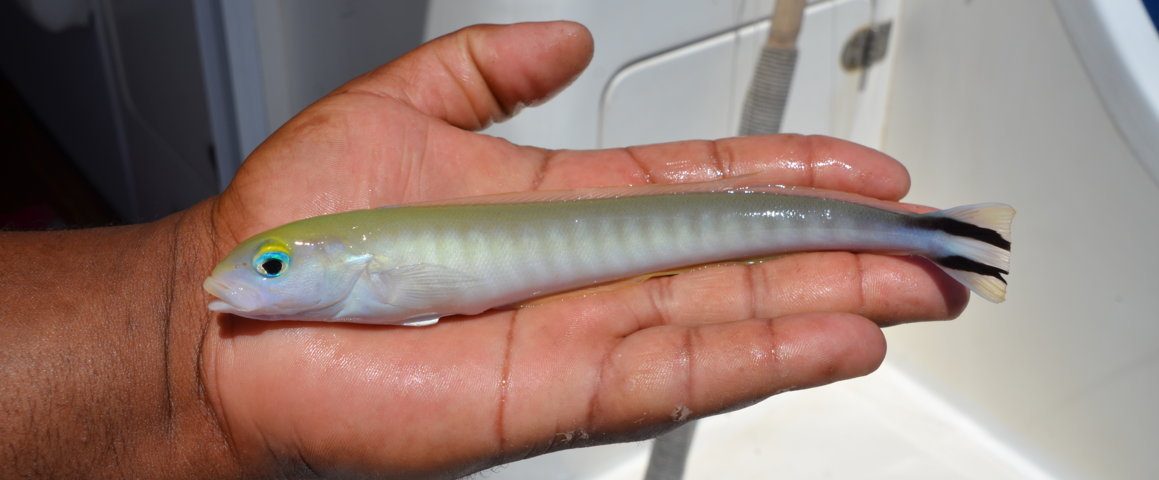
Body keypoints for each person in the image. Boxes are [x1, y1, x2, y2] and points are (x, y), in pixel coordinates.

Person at [0, 21, 967, 478]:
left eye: (272, 266)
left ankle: (931, 232)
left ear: (340, 258)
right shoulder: (323, 278)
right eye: (269, 266)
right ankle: (931, 234)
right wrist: (178, 337)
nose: (245, 283)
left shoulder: (355, 264)